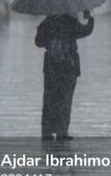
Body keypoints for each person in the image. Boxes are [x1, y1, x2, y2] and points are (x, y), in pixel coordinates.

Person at [34, 10, 94, 141]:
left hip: (51, 66)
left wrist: (44, 32)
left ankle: (47, 132)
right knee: (65, 99)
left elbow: (38, 42)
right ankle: (62, 131)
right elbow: (86, 31)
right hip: (69, 65)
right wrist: (90, 18)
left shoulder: (47, 22)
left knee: (49, 99)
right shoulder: (71, 22)